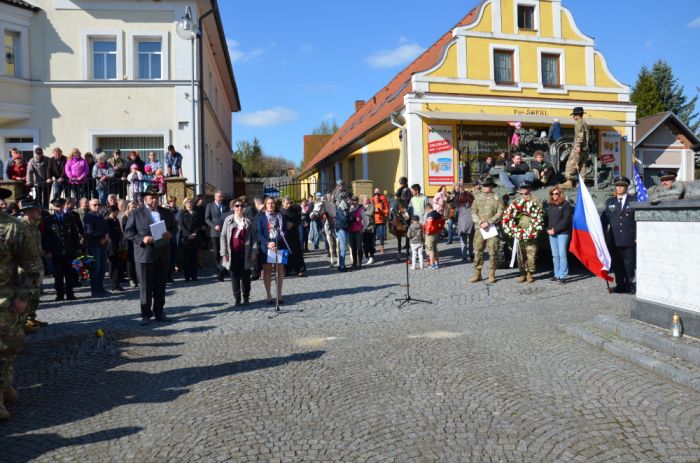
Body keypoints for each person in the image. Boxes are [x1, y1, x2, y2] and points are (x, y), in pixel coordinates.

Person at [0, 187, 43, 421]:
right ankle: (5, 386)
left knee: (6, 348)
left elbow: (33, 268)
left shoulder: (12, 228)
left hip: (5, 302)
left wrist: (22, 297)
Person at [124, 187, 177, 325]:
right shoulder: (136, 213)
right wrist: (142, 240)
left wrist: (170, 234)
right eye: (152, 197)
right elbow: (128, 232)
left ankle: (159, 312)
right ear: (145, 198)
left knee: (161, 286)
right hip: (145, 255)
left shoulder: (166, 212)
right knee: (146, 287)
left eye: (157, 197)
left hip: (162, 254)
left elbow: (174, 227)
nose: (155, 200)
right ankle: (146, 314)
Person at [601, 176, 637, 294]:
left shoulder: (634, 201)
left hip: (629, 238)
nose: (619, 188)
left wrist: (638, 236)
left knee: (629, 264)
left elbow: (638, 220)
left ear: (626, 187)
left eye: (621, 186)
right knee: (617, 264)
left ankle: (630, 285)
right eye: (617, 186)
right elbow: (604, 220)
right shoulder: (610, 202)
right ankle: (620, 285)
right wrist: (599, 234)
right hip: (614, 239)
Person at [42, 198, 82, 301]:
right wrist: (48, 250)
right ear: (53, 207)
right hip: (56, 251)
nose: (59, 208)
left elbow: (75, 234)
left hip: (69, 250)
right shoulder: (49, 220)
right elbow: (46, 236)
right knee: (58, 274)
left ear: (64, 206)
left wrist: (77, 247)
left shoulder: (70, 218)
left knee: (70, 273)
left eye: (61, 206)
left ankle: (70, 294)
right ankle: (59, 294)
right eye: (57, 206)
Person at [220, 198, 258, 306]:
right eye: (237, 206)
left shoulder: (248, 221)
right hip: (232, 254)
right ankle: (237, 298)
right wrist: (223, 253)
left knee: (246, 276)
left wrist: (254, 251)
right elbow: (222, 237)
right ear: (233, 208)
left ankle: (246, 296)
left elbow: (254, 238)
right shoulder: (228, 220)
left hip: (245, 253)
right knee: (234, 276)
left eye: (241, 205)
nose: (239, 208)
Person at [18, 200, 47, 332]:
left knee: (35, 294)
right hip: (26, 267)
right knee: (26, 294)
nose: (39, 212)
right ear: (29, 212)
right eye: (37, 210)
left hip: (36, 264)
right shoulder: (20, 226)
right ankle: (22, 322)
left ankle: (31, 317)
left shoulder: (34, 225)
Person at [470, 177, 504, 284]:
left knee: (493, 251)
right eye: (483, 185)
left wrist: (489, 222)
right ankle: (477, 273)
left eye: (486, 186)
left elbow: (500, 212)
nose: (484, 187)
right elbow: (473, 212)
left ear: (491, 186)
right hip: (479, 228)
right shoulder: (477, 197)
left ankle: (491, 273)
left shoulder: (497, 198)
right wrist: (480, 222)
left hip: (492, 228)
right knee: (478, 251)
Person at [256, 197, 286, 303]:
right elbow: (259, 233)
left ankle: (279, 294)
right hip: (266, 247)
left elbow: (283, 231)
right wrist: (268, 243)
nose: (271, 205)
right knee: (267, 271)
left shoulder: (280, 216)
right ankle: (269, 294)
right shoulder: (260, 217)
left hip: (280, 245)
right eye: (268, 203)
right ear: (265, 204)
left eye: (272, 203)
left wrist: (275, 242)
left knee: (279, 271)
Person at [513, 181, 541, 283]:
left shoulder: (535, 200)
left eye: (526, 187)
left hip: (530, 230)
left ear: (529, 188)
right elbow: (511, 214)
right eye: (522, 188)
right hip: (519, 231)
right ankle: (522, 273)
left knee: (531, 254)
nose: (524, 189)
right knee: (520, 254)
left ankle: (529, 273)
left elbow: (540, 213)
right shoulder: (517, 200)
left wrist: (529, 211)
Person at [83, 198, 110, 297]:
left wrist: (107, 236)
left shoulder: (100, 215)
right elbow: (89, 231)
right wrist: (102, 236)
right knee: (96, 269)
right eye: (95, 205)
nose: (97, 206)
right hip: (94, 245)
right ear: (90, 206)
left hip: (103, 245)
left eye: (99, 204)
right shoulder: (88, 216)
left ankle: (100, 288)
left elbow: (106, 228)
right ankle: (95, 290)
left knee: (102, 268)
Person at [546, 186, 572, 284]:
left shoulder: (565, 204)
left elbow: (566, 220)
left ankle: (563, 275)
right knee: (555, 255)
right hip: (552, 233)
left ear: (560, 194)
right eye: (552, 194)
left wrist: (555, 230)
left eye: (556, 193)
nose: (554, 195)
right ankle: (556, 274)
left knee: (562, 254)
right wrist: (547, 230)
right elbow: (546, 220)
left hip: (562, 233)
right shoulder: (550, 205)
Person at [560, 107, 589, 190]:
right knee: (582, 165)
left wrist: (578, 146)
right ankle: (581, 183)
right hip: (585, 149)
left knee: (570, 163)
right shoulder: (584, 123)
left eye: (573, 115)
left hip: (579, 148)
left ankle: (569, 182)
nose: (573, 117)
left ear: (577, 115)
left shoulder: (579, 122)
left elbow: (580, 135)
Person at [205, 191, 229, 281]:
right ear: (215, 197)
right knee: (216, 253)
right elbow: (207, 218)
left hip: (225, 232)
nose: (220, 198)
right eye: (219, 197)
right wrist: (214, 226)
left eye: (222, 197)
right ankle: (218, 269)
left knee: (224, 251)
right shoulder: (210, 206)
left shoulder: (225, 206)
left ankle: (224, 269)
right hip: (215, 233)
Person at [280, 197, 306, 277]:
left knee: (297, 251)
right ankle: (286, 270)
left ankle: (299, 269)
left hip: (294, 233)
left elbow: (298, 220)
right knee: (285, 252)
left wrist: (293, 224)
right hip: (284, 234)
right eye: (287, 203)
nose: (289, 205)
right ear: (283, 203)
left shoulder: (294, 210)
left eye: (290, 203)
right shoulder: (280, 211)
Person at [178, 197, 201, 281]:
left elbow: (198, 224)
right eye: (187, 202)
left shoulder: (195, 212)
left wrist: (195, 233)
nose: (189, 204)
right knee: (186, 258)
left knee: (194, 258)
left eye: (190, 202)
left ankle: (194, 276)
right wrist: (188, 235)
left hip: (195, 237)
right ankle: (187, 276)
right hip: (186, 238)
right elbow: (181, 225)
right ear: (184, 204)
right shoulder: (182, 212)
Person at [105, 205, 125, 292]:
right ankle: (114, 284)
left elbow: (119, 231)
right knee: (113, 265)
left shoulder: (116, 220)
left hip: (118, 244)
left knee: (118, 264)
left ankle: (117, 283)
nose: (117, 213)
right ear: (111, 212)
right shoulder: (107, 221)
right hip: (111, 245)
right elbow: (108, 233)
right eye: (116, 212)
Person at [121, 201, 139, 287]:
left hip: (137, 241)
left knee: (137, 260)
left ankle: (137, 278)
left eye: (135, 207)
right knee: (130, 261)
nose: (134, 209)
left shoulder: (138, 216)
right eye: (132, 207)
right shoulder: (125, 217)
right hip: (129, 242)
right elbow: (126, 231)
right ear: (128, 208)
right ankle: (131, 278)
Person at [456, 189, 475, 262]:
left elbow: (456, 215)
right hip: (471, 224)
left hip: (462, 224)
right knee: (471, 241)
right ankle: (471, 255)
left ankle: (464, 256)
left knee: (463, 241)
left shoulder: (459, 206)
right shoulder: (472, 205)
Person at [423, 204, 443, 269]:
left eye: (426, 211)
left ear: (427, 209)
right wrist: (440, 228)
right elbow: (443, 221)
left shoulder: (430, 215)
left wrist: (427, 231)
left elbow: (429, 223)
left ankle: (432, 264)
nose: (426, 212)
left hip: (430, 234)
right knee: (435, 248)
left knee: (430, 249)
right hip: (436, 233)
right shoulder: (438, 214)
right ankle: (437, 263)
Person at [347, 196, 364, 269]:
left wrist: (363, 229)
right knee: (353, 248)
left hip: (358, 231)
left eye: (354, 200)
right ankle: (354, 263)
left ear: (357, 201)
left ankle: (359, 263)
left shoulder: (361, 210)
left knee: (359, 248)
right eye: (352, 200)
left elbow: (366, 221)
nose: (352, 202)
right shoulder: (349, 210)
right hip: (351, 231)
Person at [371, 188, 389, 254]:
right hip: (373, 221)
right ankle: (373, 248)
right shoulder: (371, 202)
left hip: (381, 221)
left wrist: (380, 211)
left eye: (377, 197)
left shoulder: (382, 202)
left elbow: (386, 211)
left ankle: (382, 248)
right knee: (373, 235)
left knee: (381, 235)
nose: (376, 198)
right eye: (375, 197)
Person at [361, 194, 376, 265]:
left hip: (370, 227)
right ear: (363, 201)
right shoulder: (361, 206)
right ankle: (366, 256)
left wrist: (362, 212)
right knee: (364, 243)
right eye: (366, 199)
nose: (367, 200)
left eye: (368, 199)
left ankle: (371, 257)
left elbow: (370, 213)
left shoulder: (371, 206)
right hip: (363, 227)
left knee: (370, 243)